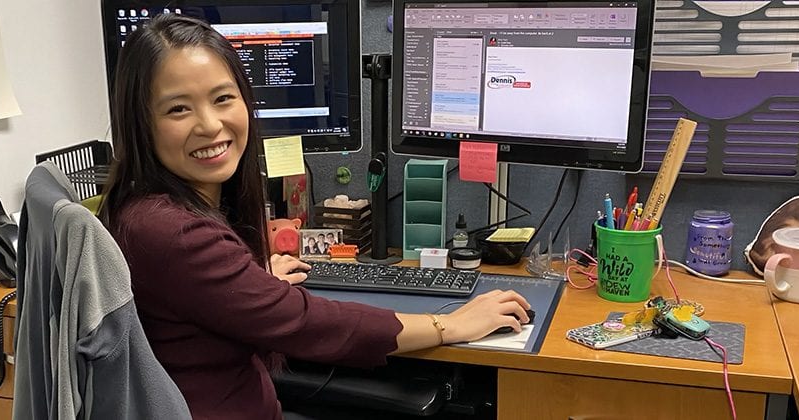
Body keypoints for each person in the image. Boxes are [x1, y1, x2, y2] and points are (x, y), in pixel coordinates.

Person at [98, 14, 530, 420]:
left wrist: (246, 284)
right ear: (141, 123)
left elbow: (197, 296)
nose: (210, 125)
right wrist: (448, 324)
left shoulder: (145, 208)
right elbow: (308, 323)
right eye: (178, 109)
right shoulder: (170, 231)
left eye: (223, 98)